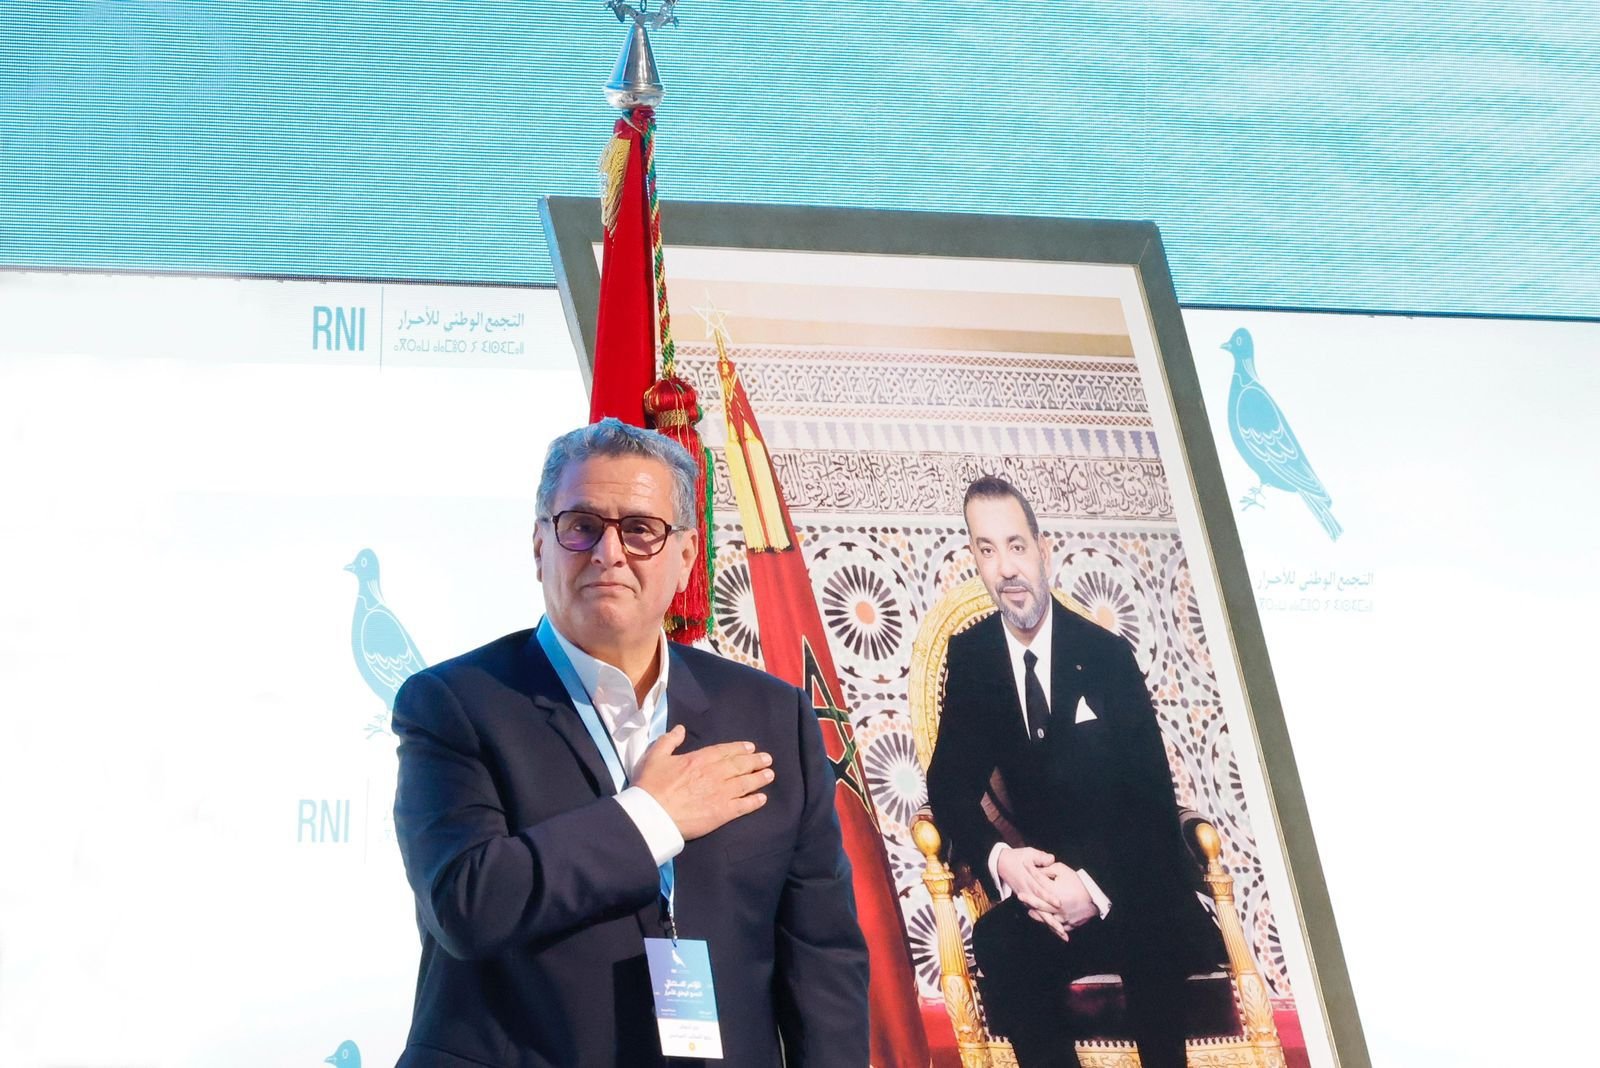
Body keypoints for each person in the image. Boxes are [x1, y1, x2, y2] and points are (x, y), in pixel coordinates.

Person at [392, 418, 869, 1067]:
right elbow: (468, 905)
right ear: (539, 546)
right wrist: (650, 817)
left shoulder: (771, 715)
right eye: (581, 525)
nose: (608, 553)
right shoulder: (455, 705)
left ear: (685, 556)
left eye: (640, 529)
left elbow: (823, 954)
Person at [926, 476, 1224, 1068]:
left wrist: (1090, 888)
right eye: (987, 550)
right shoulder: (974, 658)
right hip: (1046, 899)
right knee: (998, 941)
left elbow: (1152, 803)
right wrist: (1004, 861)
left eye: (1015, 545)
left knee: (1152, 937)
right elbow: (948, 785)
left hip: (1130, 882)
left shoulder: (1108, 655)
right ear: (976, 561)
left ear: (1043, 549)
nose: (1005, 567)